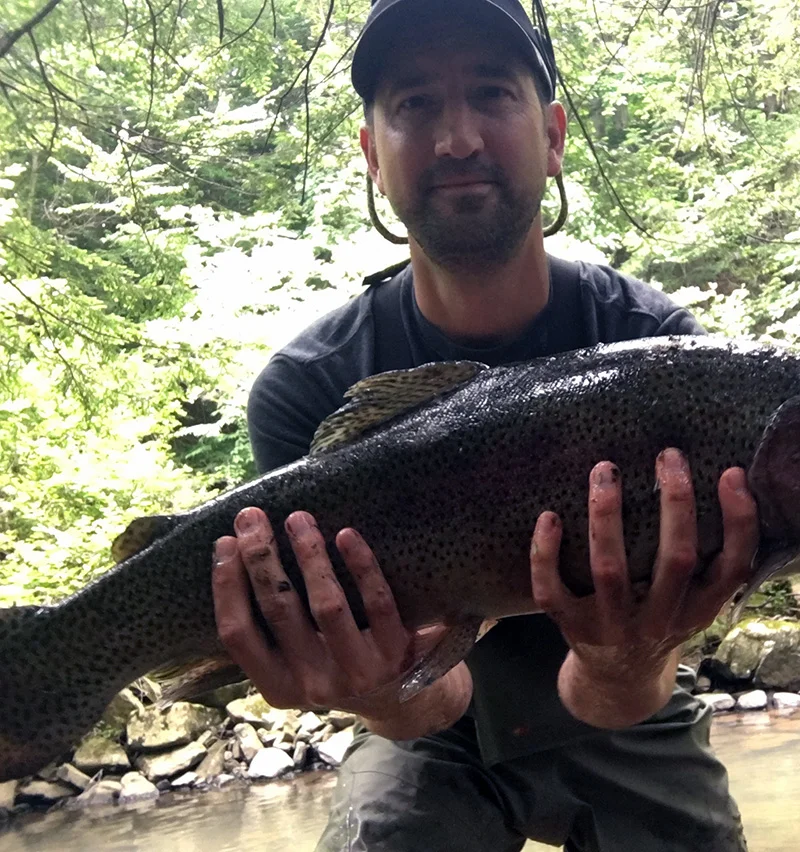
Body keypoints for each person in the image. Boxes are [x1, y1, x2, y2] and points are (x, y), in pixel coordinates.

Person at [209, 0, 760, 849]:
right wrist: (375, 685)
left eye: (493, 94)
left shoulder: (661, 356)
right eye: (415, 103)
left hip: (634, 696)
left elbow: (621, 690)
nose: (457, 138)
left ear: (553, 136)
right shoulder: (308, 389)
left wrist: (624, 663)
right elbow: (419, 706)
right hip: (428, 733)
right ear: (372, 154)